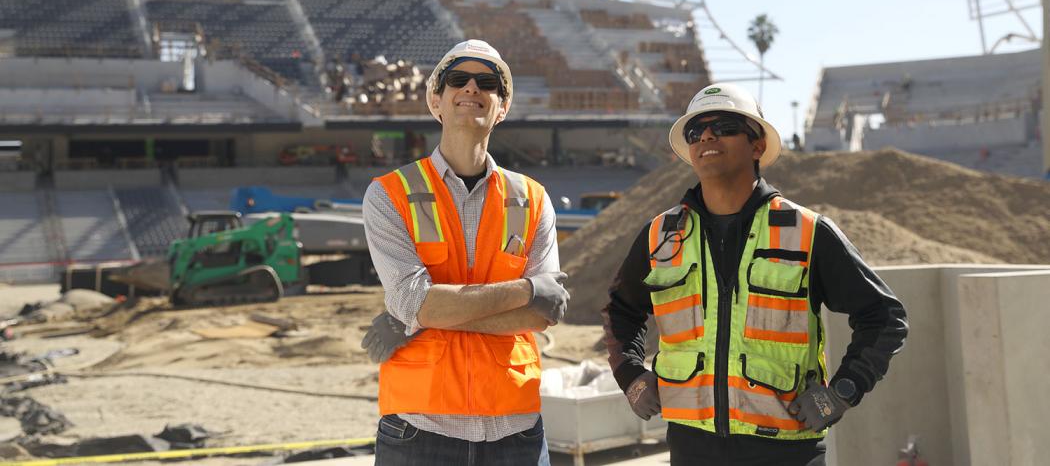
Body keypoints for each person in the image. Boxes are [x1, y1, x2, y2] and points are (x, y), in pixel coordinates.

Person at [603, 83, 908, 466]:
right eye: (696, 131)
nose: (708, 136)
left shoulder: (808, 232)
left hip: (786, 450)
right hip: (692, 448)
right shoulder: (661, 236)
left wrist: (843, 391)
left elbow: (883, 317)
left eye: (725, 125)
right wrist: (630, 376)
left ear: (758, 145)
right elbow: (620, 310)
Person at [360, 39, 568, 466]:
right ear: (436, 100)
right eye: (459, 79)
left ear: (501, 107)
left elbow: (543, 312)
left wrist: (422, 319)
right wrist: (526, 288)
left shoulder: (532, 198)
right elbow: (414, 301)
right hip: (421, 427)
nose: (472, 88)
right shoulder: (389, 194)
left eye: (487, 82)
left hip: (515, 426)